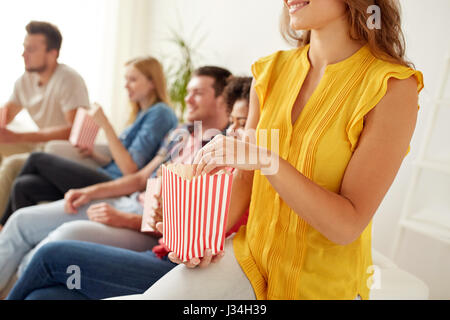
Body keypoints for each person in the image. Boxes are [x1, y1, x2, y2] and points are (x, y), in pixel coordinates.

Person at [115, 0, 424, 300]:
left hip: (323, 287)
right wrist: (201, 238)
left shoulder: (392, 87)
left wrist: (268, 160)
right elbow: (245, 180)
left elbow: (346, 227)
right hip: (250, 259)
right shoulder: (270, 71)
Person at [1, 66, 233, 298]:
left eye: (198, 93)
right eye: (188, 92)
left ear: (222, 98)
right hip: (129, 201)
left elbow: (182, 224)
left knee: (60, 238)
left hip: (147, 223)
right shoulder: (181, 132)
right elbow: (141, 177)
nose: (187, 99)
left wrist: (125, 219)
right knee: (21, 220)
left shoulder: (223, 152)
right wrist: (91, 192)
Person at [0, 56, 178, 226]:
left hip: (117, 184)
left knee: (37, 159)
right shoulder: (141, 113)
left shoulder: (160, 113)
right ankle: (14, 239)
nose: (126, 85)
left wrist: (105, 125)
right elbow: (121, 160)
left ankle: (2, 226)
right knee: (24, 186)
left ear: (152, 82)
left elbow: (130, 170)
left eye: (132, 80)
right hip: (107, 173)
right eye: (125, 79)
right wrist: (95, 155)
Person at [0, 21, 90, 217]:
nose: (24, 54)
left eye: (31, 49)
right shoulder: (25, 80)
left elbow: (72, 130)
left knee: (11, 165)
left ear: (53, 53)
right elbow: (6, 113)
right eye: (24, 48)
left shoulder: (68, 80)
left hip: (62, 152)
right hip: (39, 146)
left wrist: (18, 138)